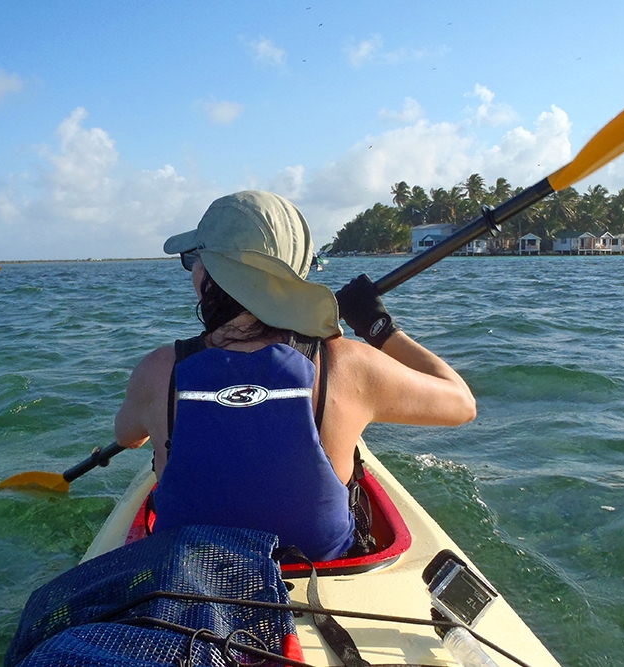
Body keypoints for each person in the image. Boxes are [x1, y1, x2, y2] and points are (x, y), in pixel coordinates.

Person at [114, 191, 475, 561]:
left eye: (194, 259)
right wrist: (378, 326)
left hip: (187, 575)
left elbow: (127, 438)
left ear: (208, 272)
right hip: (321, 572)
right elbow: (461, 404)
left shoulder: (158, 372)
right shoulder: (348, 366)